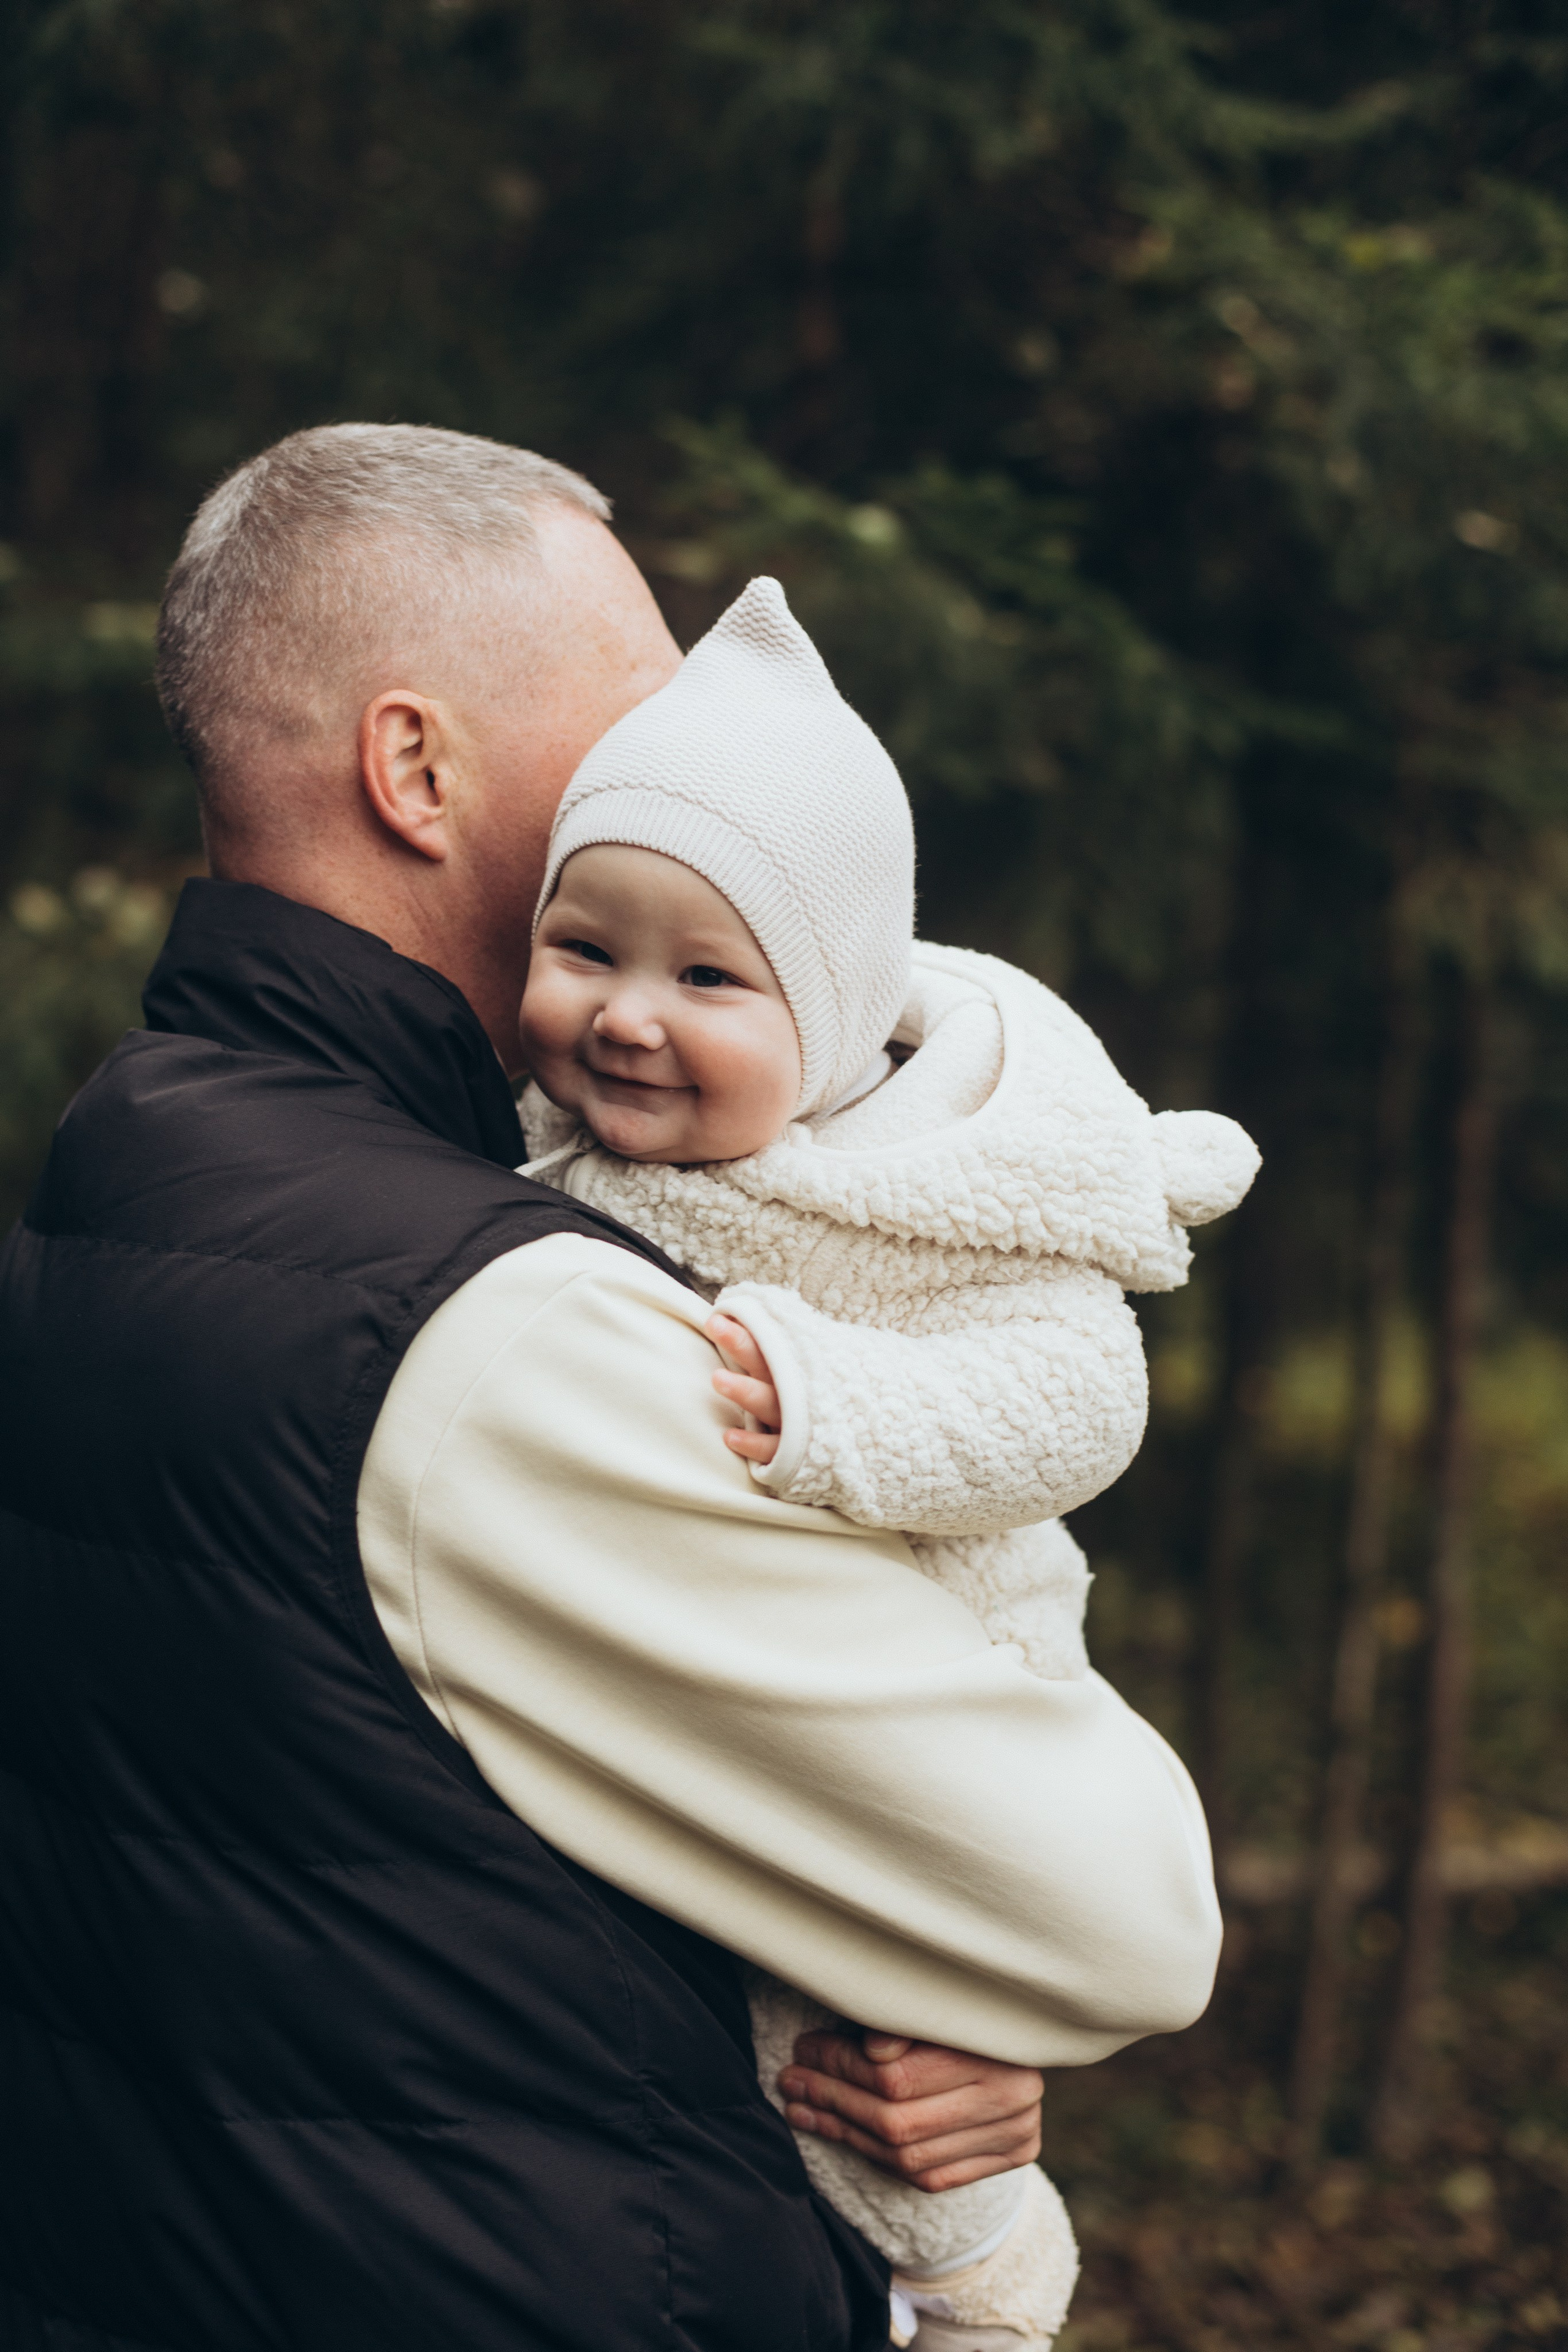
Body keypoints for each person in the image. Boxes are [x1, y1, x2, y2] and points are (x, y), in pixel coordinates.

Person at [0, 424, 1223, 2352]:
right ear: (414, 769)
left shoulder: (115, 1172)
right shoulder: (484, 1331)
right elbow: (1118, 1911)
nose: (688, 778)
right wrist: (915, 1960)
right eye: (635, 721)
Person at [512, 575, 1257, 2348]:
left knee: (888, 2068)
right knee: (806, 2054)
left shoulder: (924, 1193)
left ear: (835, 1021)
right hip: (739, 1725)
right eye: (584, 950)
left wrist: (844, 1414)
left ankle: (992, 2290)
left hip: (967, 1664)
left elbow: (1085, 1398)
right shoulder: (543, 1145)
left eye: (707, 978)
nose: (628, 1015)